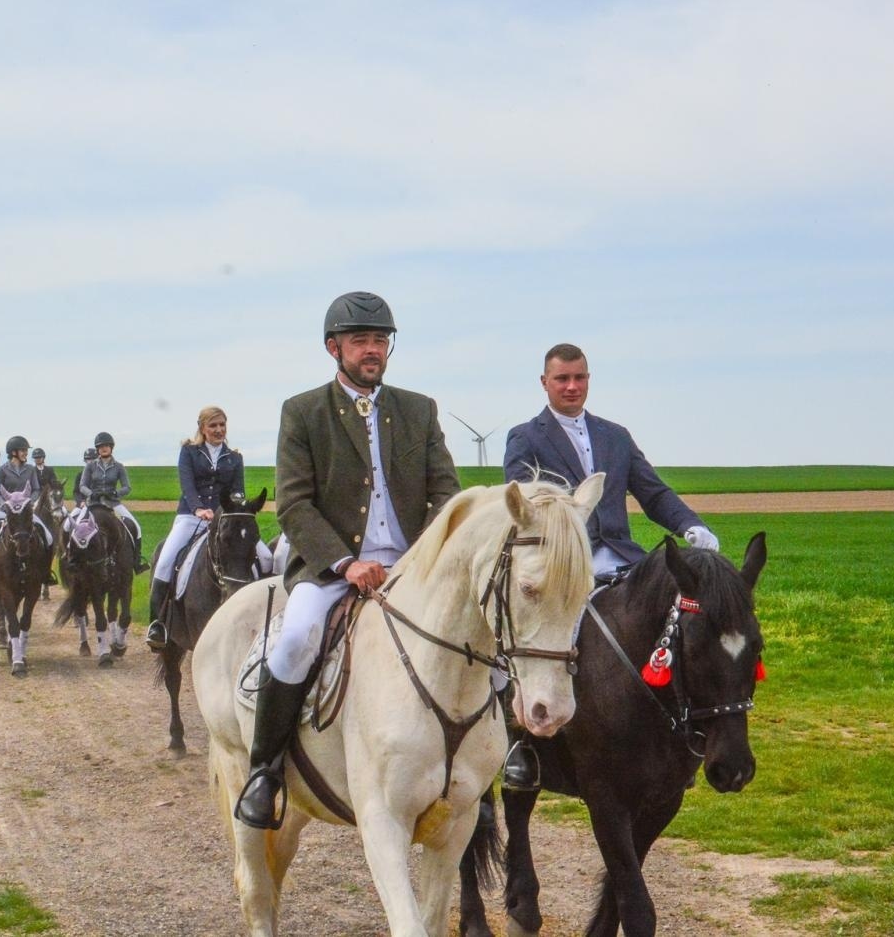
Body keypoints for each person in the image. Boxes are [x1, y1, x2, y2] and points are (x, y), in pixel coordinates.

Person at [235, 291, 461, 829]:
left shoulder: (418, 409)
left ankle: (491, 761)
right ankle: (265, 771)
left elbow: (446, 493)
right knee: (295, 639)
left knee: (483, 639)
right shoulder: (304, 412)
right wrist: (344, 563)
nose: (373, 350)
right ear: (333, 347)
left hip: (412, 566)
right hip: (333, 570)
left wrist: (422, 558)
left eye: (380, 340)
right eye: (361, 340)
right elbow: (293, 502)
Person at [498, 340, 718, 791]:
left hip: (624, 562)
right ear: (545, 383)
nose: (572, 386)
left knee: (682, 623)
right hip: (565, 568)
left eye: (580, 377)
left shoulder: (615, 436)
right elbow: (528, 499)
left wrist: (691, 527)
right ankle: (523, 745)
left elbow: (653, 492)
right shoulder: (525, 437)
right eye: (562, 379)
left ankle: (680, 734)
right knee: (545, 640)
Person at [145, 406, 246, 650]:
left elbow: (238, 490)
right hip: (191, 518)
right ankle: (157, 624)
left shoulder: (235, 457)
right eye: (213, 425)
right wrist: (198, 508)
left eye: (222, 425)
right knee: (166, 561)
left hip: (223, 520)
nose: (219, 430)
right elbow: (187, 484)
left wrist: (233, 510)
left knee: (263, 557)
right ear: (202, 428)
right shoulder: (189, 452)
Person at [0, 436, 51, 580]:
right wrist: (4, 503)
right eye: (23, 450)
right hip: (4, 510)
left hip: (25, 512)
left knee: (48, 537)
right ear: (14, 452)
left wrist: (29, 502)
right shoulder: (2, 470)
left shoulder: (31, 469)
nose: (26, 453)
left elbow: (36, 489)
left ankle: (46, 572)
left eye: (26, 450)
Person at [77, 432, 148, 574]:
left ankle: (136, 561)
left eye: (106, 446)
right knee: (76, 527)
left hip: (112, 503)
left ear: (111, 448)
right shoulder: (90, 466)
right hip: (93, 504)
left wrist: (116, 493)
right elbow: (82, 486)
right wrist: (91, 493)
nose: (104, 448)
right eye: (101, 446)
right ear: (97, 449)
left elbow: (127, 487)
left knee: (136, 526)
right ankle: (73, 559)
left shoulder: (119, 467)